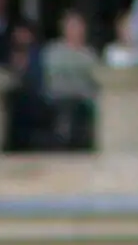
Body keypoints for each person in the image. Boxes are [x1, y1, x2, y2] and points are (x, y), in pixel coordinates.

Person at [35, 11, 99, 150]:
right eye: (71, 26)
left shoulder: (89, 54)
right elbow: (52, 77)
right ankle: (63, 137)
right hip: (58, 96)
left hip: (84, 99)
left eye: (78, 26)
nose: (75, 30)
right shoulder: (52, 51)